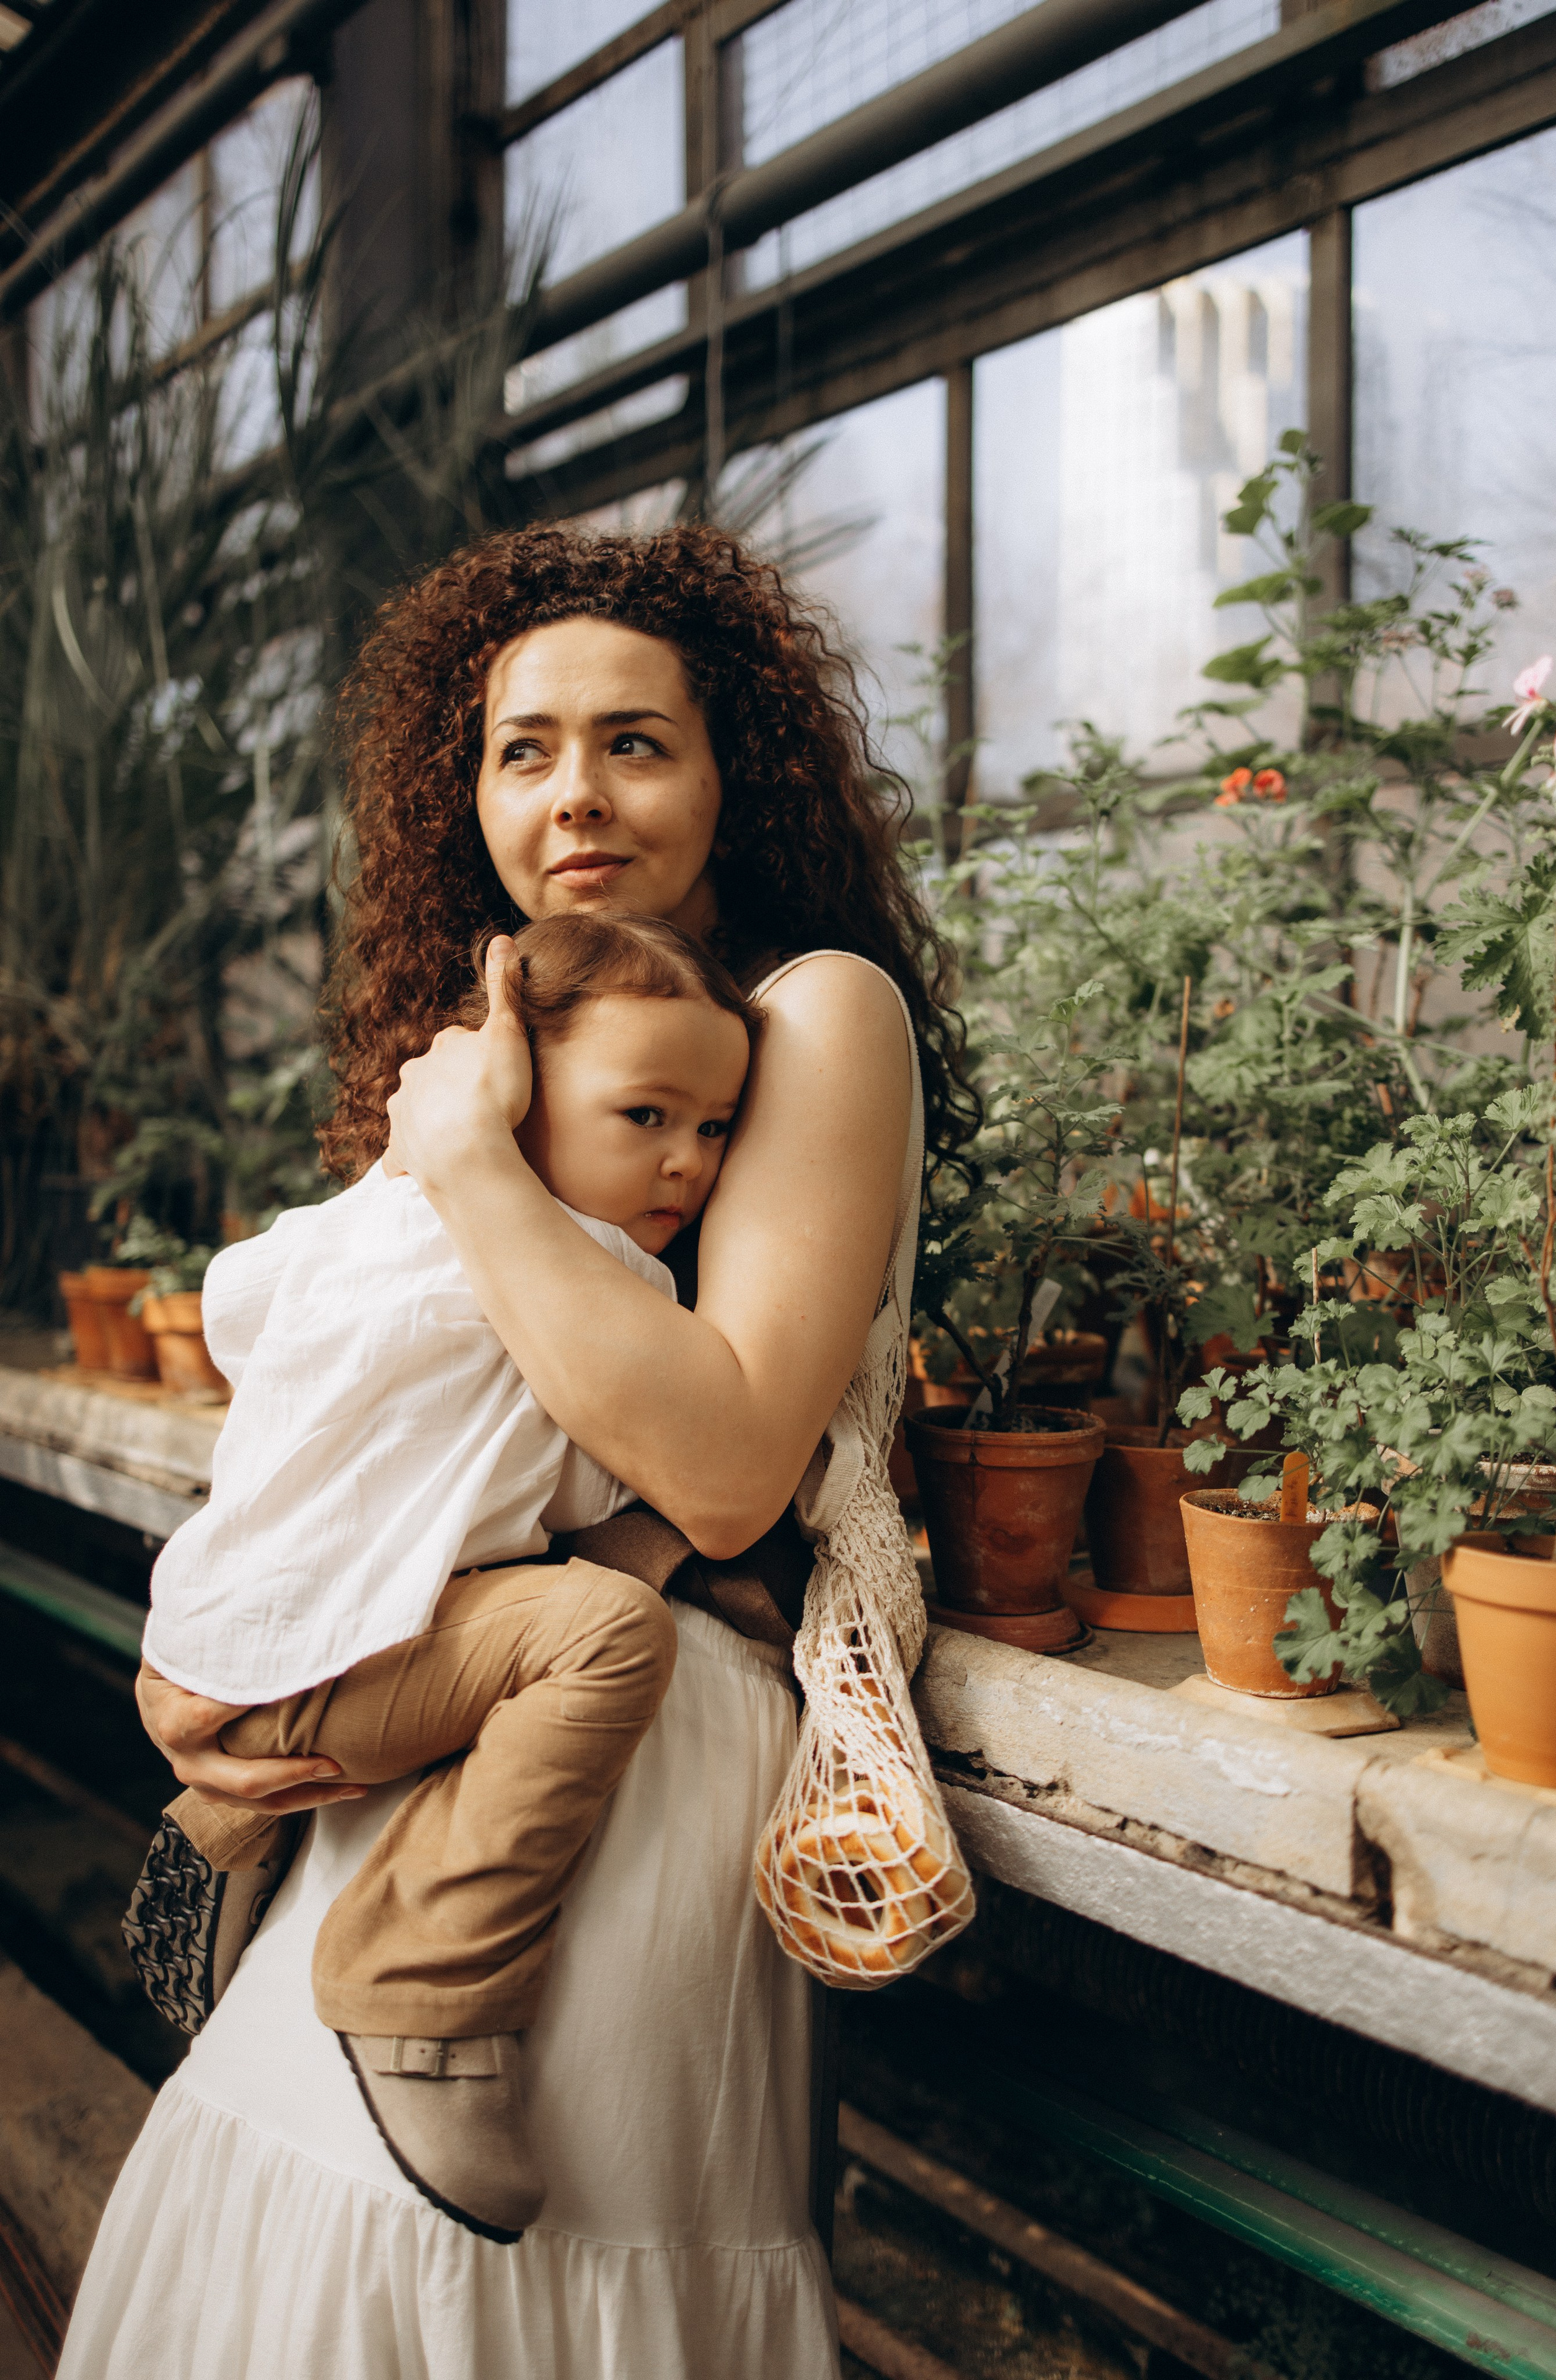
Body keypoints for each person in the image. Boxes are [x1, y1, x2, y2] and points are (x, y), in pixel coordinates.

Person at [59, 524, 976, 2380]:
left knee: (525, 2268)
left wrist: (472, 1159)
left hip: (640, 1754)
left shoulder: (812, 1018)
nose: (577, 794)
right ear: (463, 789)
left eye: (637, 742)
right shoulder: (526, 1039)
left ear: (738, 772)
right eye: (522, 748)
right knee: (312, 2232)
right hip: (465, 1710)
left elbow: (725, 1472)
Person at [137, 911, 759, 2242]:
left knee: (524, 1585)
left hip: (240, 1641)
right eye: (644, 1114)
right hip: (318, 1672)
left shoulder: (366, 1226)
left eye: (714, 1127)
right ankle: (420, 1991)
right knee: (599, 1628)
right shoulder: (574, 1268)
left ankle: (226, 1830)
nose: (687, 1161)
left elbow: (241, 1310)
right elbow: (610, 1486)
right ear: (510, 1099)